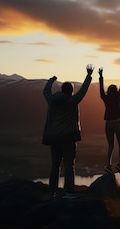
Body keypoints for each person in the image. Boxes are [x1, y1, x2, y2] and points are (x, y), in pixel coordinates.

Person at [42, 65, 93, 198]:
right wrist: (88, 75)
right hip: (68, 138)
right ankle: (68, 192)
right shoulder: (72, 101)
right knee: (69, 165)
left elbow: (46, 91)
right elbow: (83, 91)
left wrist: (51, 80)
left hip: (54, 138)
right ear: (70, 91)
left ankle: (51, 192)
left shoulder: (52, 101)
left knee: (55, 165)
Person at [99, 66, 120, 176]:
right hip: (116, 122)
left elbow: (101, 90)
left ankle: (108, 164)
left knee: (111, 145)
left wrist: (101, 77)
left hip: (108, 123)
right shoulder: (118, 96)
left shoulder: (105, 98)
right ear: (115, 90)